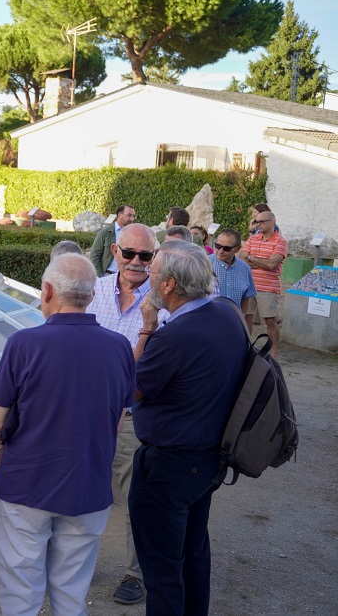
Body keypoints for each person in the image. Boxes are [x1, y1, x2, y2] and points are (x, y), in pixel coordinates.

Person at [0, 253, 135, 616]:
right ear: (92, 295)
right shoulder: (119, 347)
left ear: (48, 291)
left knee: (21, 588)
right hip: (88, 485)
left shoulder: (24, 343)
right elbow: (116, 424)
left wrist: (3, 447)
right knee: (72, 590)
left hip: (26, 483)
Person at [131, 241, 248, 615]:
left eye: (151, 271)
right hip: (208, 457)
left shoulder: (172, 337)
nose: (146, 277)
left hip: (169, 466)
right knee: (194, 556)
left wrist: (147, 329)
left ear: (168, 284)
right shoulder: (227, 314)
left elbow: (129, 389)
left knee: (163, 570)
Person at [86, 223, 168, 605]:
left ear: (154, 257)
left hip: (133, 417)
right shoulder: (94, 291)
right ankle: (80, 561)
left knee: (137, 499)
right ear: (115, 252)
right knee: (85, 492)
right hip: (88, 413)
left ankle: (136, 573)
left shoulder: (165, 302)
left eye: (145, 255)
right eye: (129, 252)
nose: (136, 261)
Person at [239, 211, 287, 358]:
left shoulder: (280, 242)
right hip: (249, 284)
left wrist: (252, 258)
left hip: (268, 287)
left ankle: (273, 353)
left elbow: (272, 264)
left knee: (270, 321)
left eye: (261, 222)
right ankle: (245, 348)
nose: (257, 225)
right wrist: (263, 262)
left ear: (272, 222)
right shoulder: (253, 239)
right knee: (246, 317)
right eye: (256, 222)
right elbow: (242, 260)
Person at [209, 228, 257, 313]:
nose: (221, 251)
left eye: (226, 248)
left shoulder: (245, 268)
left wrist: (242, 316)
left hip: (234, 317)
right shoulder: (204, 264)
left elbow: (246, 297)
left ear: (237, 249)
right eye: (218, 246)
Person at [89, 205, 136, 276]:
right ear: (119, 215)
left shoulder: (133, 234)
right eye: (129, 215)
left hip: (126, 276)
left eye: (133, 216)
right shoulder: (105, 233)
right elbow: (94, 256)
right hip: (107, 275)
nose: (132, 219)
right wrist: (100, 277)